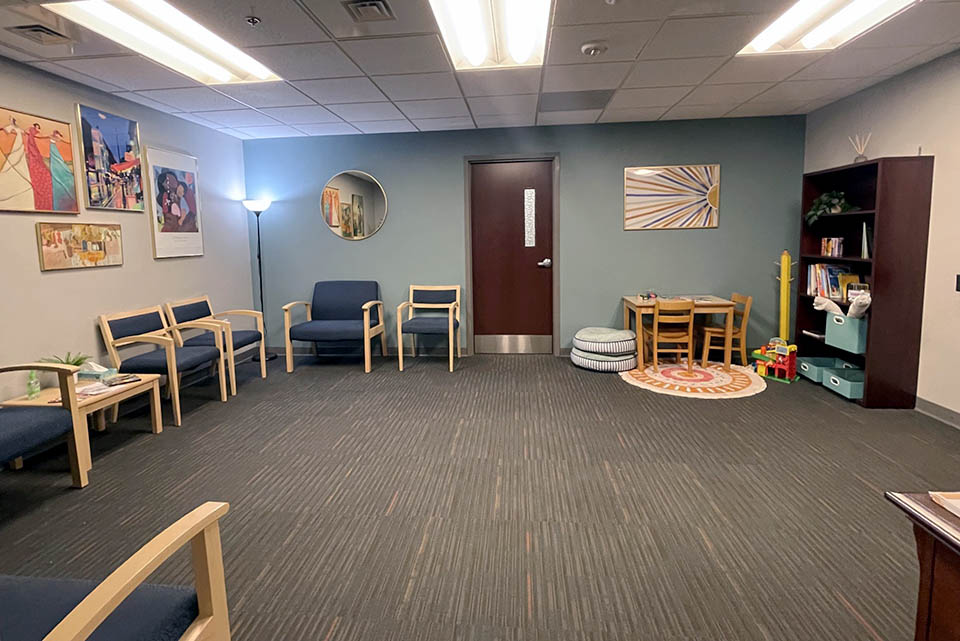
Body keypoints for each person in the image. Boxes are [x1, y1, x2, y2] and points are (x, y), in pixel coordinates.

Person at [0, 116, 36, 210]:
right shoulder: (12, 127)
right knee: (14, 160)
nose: (12, 121)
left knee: (20, 161)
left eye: (13, 120)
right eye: (12, 120)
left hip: (20, 146)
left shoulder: (17, 128)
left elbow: (24, 132)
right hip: (16, 145)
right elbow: (6, 130)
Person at [24, 122, 53, 210]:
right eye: (37, 127)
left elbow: (40, 135)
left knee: (36, 155)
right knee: (34, 154)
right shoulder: (31, 129)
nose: (37, 129)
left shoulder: (33, 131)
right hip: (31, 144)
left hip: (32, 145)